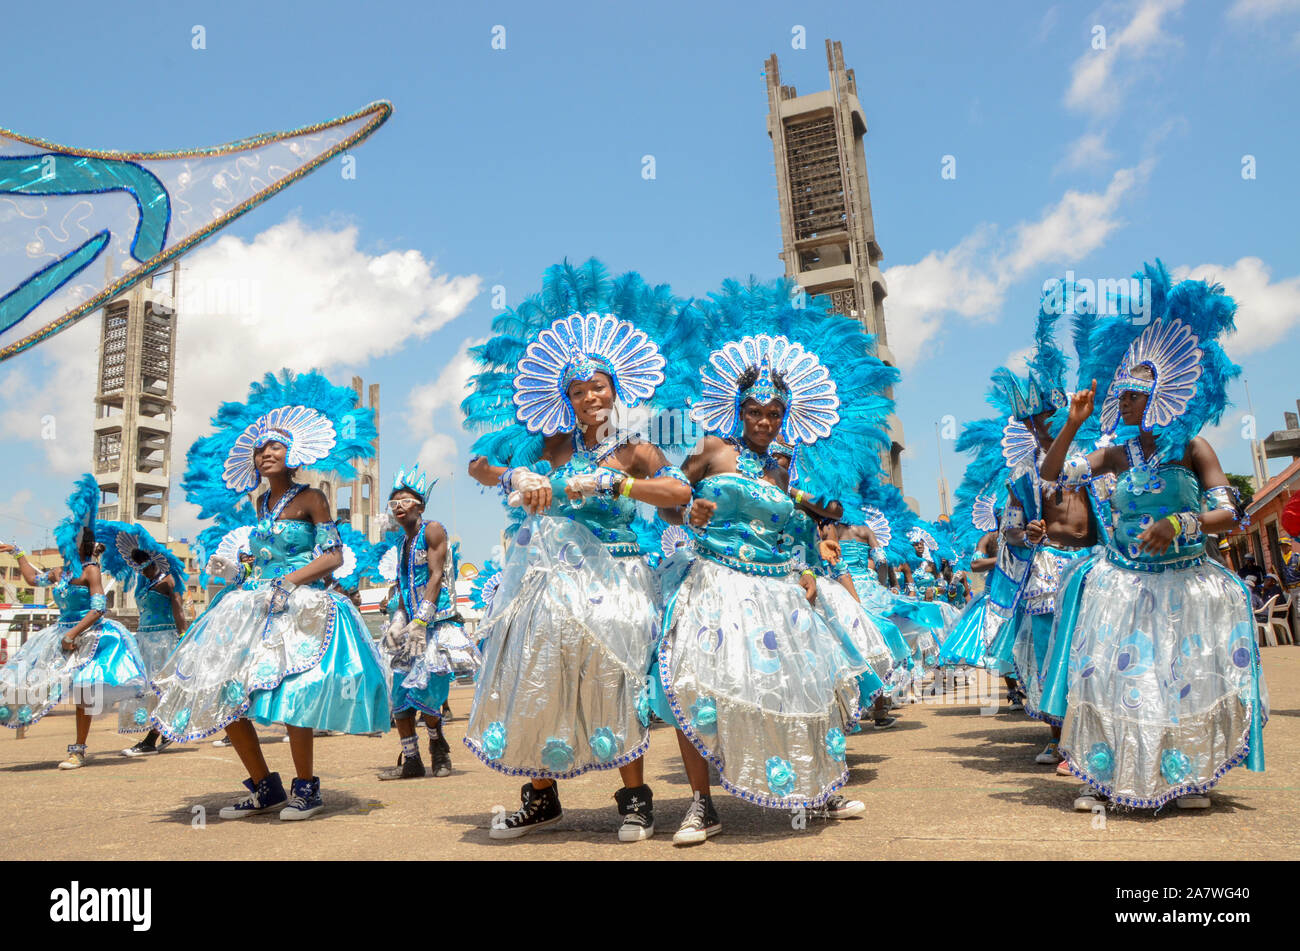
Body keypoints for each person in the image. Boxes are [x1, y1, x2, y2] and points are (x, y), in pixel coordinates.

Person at [1040, 269, 1266, 811]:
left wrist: (1181, 525)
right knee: (1126, 679)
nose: (1125, 403)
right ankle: (1115, 776)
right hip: (1125, 586)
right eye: (1122, 395)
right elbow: (1053, 476)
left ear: (1165, 393)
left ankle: (1183, 777)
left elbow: (1228, 514)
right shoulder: (1115, 456)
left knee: (1185, 681)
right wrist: (1072, 424)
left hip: (1188, 584)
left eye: (1136, 395)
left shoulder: (1194, 447)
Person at [464, 312, 690, 841]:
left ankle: (634, 800)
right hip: (551, 578)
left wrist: (615, 486)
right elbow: (478, 464)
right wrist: (515, 474)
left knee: (613, 676)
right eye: (579, 389)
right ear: (566, 396)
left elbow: (679, 496)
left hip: (616, 575)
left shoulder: (635, 449)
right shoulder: (549, 447)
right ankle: (541, 798)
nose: (590, 396)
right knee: (537, 670)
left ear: (615, 390)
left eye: (599, 386)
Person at [654, 334, 874, 846]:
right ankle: (701, 805)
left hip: (776, 587)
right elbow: (667, 500)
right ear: (738, 409)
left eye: (774, 412)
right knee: (695, 681)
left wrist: (806, 570)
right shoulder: (710, 450)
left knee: (802, 687)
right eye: (755, 411)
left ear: (784, 415)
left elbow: (798, 530)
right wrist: (687, 513)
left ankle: (816, 791)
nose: (764, 421)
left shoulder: (784, 469)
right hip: (714, 578)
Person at [149, 401, 391, 820]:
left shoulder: (313, 497)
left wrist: (292, 580)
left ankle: (307, 790)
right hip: (253, 603)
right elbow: (261, 558)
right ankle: (266, 788)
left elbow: (333, 555)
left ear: (292, 453)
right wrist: (238, 567)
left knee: (294, 691)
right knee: (221, 688)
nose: (266, 455)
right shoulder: (259, 504)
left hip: (299, 606)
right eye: (260, 450)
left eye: (274, 448)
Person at [0, 475, 147, 768]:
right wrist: (18, 553)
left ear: (79, 544)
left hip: (90, 636)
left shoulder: (90, 571)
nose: (62, 545)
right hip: (61, 634)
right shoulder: (59, 572)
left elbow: (98, 608)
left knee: (84, 691)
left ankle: (77, 750)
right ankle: (21, 721)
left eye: (67, 541)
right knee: (27, 678)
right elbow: (33, 579)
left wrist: (73, 635)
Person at [377, 464, 480, 780]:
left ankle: (438, 744)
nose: (398, 508)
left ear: (419, 505)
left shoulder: (433, 529)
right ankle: (411, 760)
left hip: (435, 625)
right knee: (399, 697)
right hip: (409, 626)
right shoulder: (400, 542)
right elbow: (403, 583)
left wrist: (422, 619)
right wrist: (399, 619)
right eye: (393, 503)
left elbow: (436, 575)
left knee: (429, 695)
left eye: (404, 501)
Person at [93, 523, 191, 756]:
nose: (139, 570)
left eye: (142, 566)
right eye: (137, 566)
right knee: (144, 688)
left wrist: (184, 638)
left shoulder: (168, 581)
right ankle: (162, 731)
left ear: (153, 562)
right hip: (145, 640)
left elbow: (179, 611)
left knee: (160, 687)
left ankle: (150, 740)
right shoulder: (143, 583)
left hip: (164, 641)